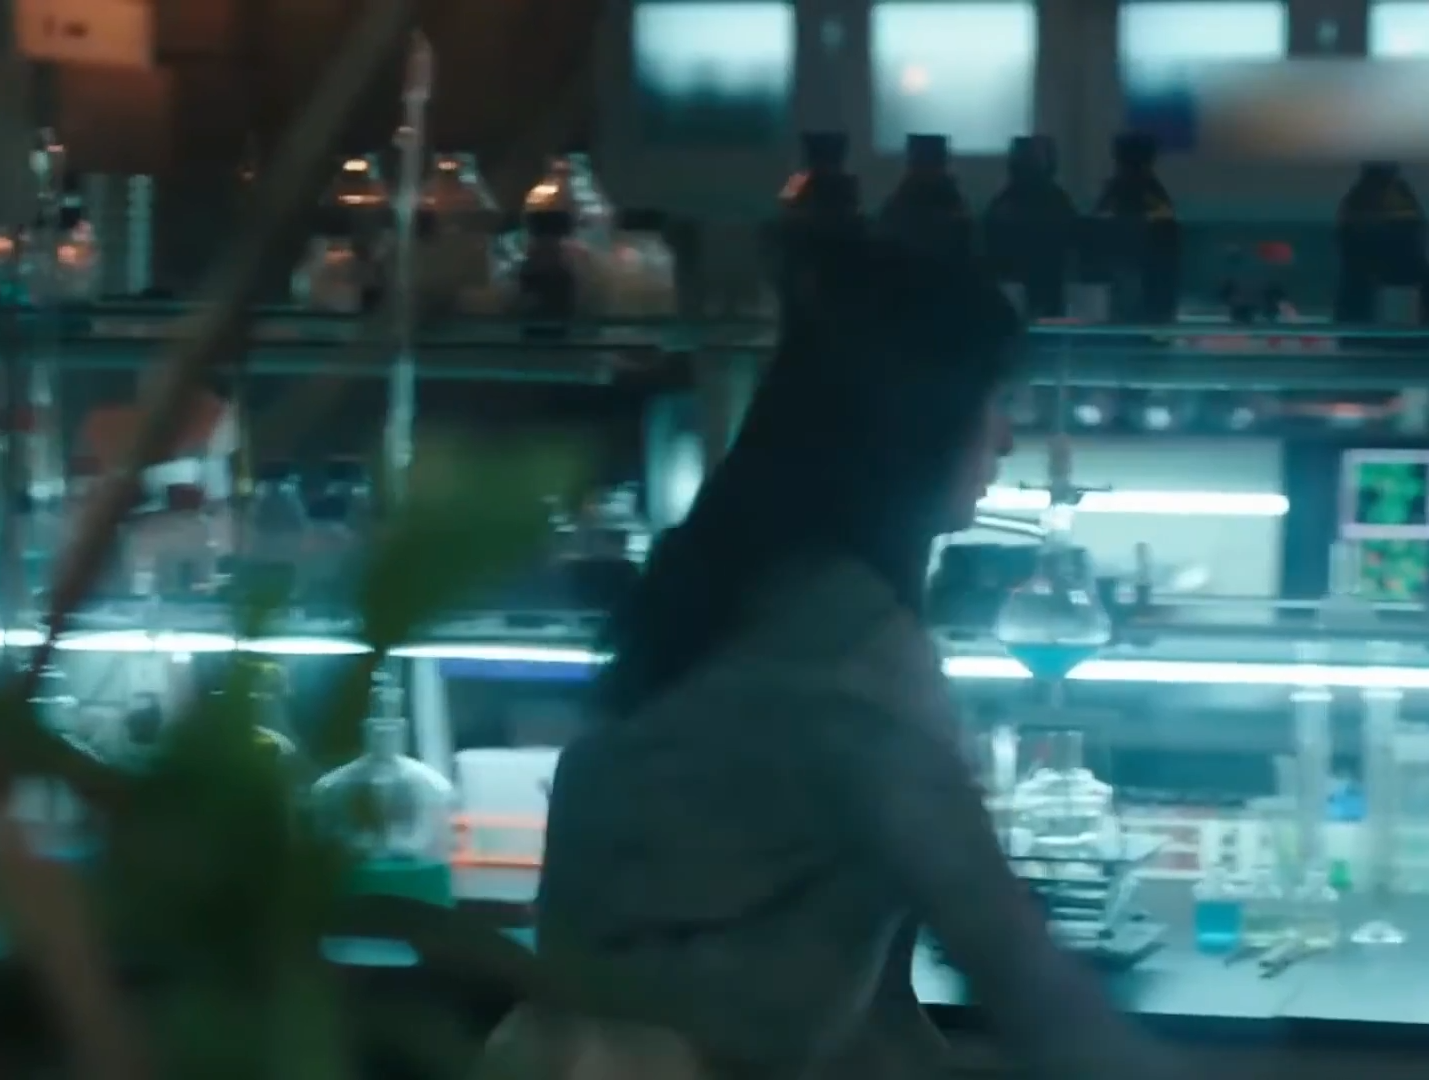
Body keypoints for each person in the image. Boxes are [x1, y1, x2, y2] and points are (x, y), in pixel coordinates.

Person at [472, 236, 1176, 1080]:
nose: (1005, 438)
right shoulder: (847, 652)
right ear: (915, 422)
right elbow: (1019, 973)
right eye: (991, 401)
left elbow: (858, 998)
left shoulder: (734, 581)